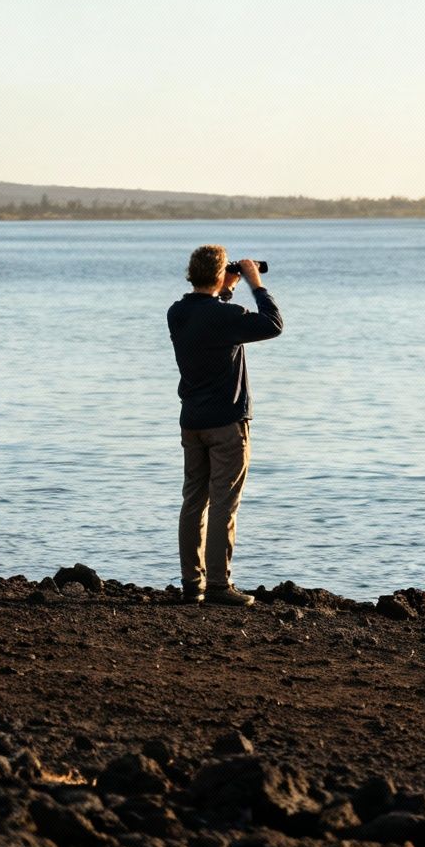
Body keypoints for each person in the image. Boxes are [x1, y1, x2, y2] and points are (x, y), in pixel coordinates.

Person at [167, 244, 284, 604]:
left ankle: (192, 584)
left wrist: (225, 287)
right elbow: (273, 324)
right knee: (223, 505)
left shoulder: (177, 313)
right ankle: (218, 585)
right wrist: (255, 283)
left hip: (193, 422)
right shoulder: (227, 315)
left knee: (193, 501)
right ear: (219, 275)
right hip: (227, 424)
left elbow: (209, 316)